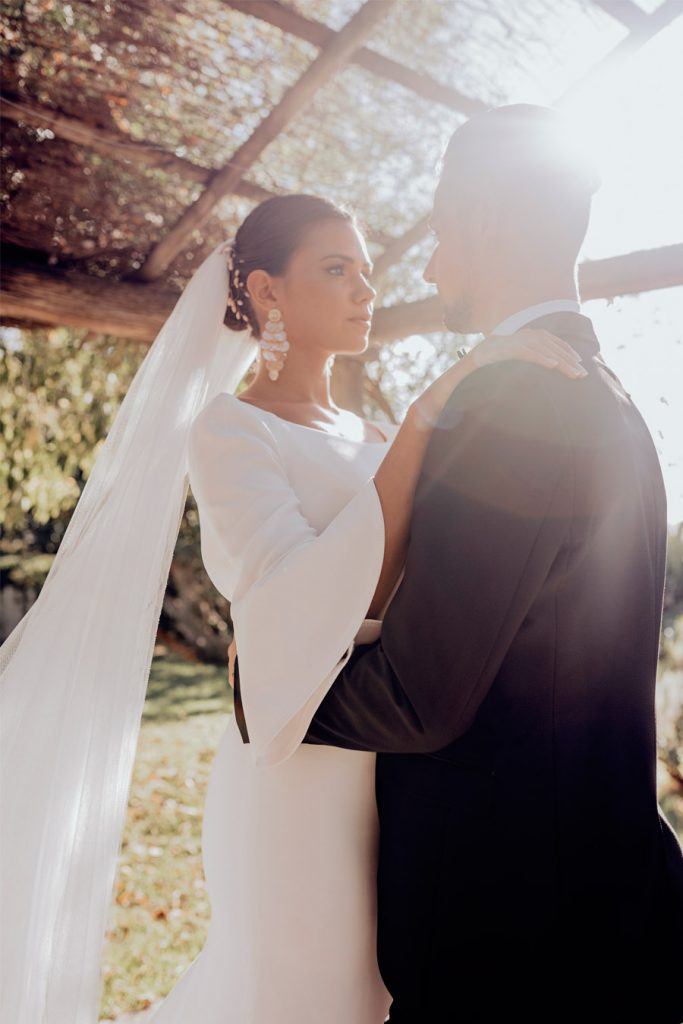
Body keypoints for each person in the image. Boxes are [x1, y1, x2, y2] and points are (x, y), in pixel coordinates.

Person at [145, 192, 586, 1023]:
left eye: (368, 272)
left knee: (382, 996)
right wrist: (431, 408)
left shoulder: (377, 437)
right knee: (308, 993)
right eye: (337, 269)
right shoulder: (231, 430)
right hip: (300, 766)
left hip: (400, 769)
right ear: (268, 291)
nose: (365, 291)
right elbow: (290, 590)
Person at [300, 106, 683, 1023]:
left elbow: (422, 695)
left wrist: (273, 688)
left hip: (506, 948)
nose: (428, 267)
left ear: (489, 223)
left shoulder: (516, 399)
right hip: (599, 922)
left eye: (439, 231)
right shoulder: (612, 401)